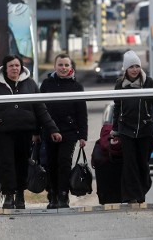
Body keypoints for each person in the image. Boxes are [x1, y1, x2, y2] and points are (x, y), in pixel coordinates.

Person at [0, 54, 62, 209]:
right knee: (6, 163)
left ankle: (20, 195)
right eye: (11, 66)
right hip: (3, 131)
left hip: (24, 130)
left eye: (17, 65)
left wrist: (53, 129)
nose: (15, 68)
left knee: (22, 163)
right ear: (5, 68)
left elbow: (41, 109)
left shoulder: (30, 84)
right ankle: (8, 195)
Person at [110, 50, 153, 204]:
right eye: (131, 67)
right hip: (126, 130)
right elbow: (117, 108)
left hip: (145, 130)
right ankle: (132, 197)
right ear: (125, 69)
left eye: (137, 66)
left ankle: (142, 189)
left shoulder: (148, 83)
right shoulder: (119, 85)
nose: (134, 69)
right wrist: (115, 130)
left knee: (143, 164)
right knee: (130, 165)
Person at [39, 53, 88, 209]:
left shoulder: (77, 86)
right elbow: (39, 109)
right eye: (60, 65)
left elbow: (82, 113)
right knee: (51, 164)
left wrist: (83, 136)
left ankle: (63, 195)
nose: (63, 68)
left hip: (69, 132)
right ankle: (52, 195)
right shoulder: (46, 84)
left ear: (71, 67)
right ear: (55, 66)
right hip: (49, 131)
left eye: (66, 65)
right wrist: (36, 132)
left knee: (64, 163)